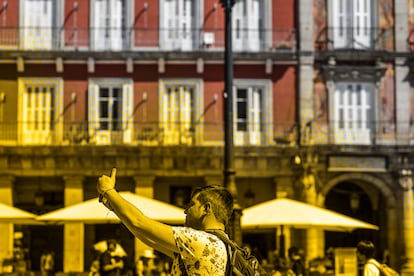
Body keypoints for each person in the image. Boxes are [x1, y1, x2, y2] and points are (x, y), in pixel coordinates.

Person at [97, 168, 234, 275]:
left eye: (191, 205)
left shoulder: (199, 240)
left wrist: (108, 190)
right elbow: (148, 238)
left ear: (206, 209)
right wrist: (116, 209)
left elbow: (139, 222)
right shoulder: (224, 245)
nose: (186, 211)